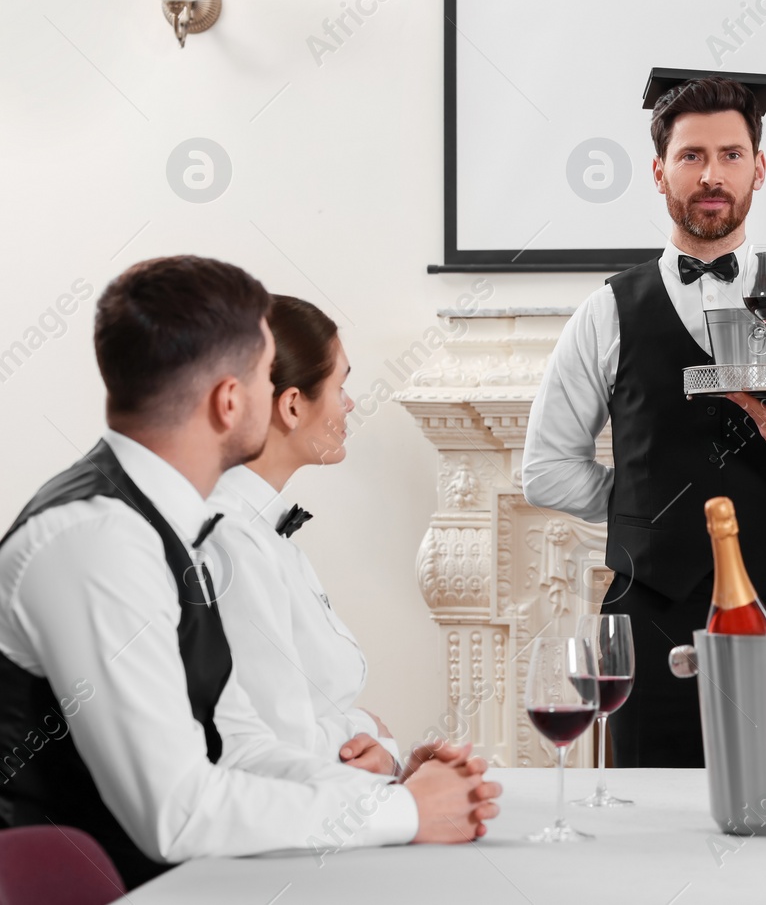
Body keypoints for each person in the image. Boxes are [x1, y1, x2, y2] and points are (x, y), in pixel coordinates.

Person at [0, 256, 499, 889]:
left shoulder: (174, 527)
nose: (285, 396)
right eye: (269, 375)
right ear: (230, 401)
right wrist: (400, 810)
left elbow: (240, 746)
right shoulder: (96, 540)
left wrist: (404, 791)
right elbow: (176, 812)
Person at [522, 71, 766, 767]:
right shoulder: (605, 312)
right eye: (691, 157)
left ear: (759, 168)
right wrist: (644, 503)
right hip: (648, 620)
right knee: (653, 829)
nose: (712, 175)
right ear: (659, 173)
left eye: (731, 155)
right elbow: (544, 471)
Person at [207, 295, 400, 774]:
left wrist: (375, 745)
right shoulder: (231, 540)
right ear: (292, 405)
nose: (350, 403)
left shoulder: (263, 527)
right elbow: (272, 748)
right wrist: (371, 734)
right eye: (341, 385)